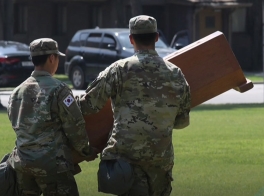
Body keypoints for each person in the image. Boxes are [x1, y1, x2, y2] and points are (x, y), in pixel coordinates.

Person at [76, 15, 191, 196]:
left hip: (126, 163)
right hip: (160, 163)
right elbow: (182, 121)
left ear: (131, 39)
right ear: (156, 37)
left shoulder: (119, 69)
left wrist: (63, 103)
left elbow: (89, 105)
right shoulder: (175, 73)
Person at [6, 38, 96, 196]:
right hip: (53, 165)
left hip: (23, 165)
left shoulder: (17, 92)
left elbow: (16, 125)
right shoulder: (59, 90)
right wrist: (86, 151)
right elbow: (75, 126)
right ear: (52, 58)